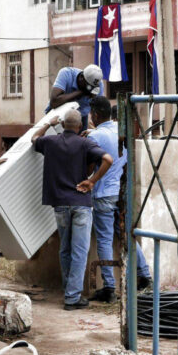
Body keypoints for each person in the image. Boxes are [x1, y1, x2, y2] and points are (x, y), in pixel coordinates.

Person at [32, 109, 113, 309]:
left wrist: (49, 124)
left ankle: (69, 290)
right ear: (79, 127)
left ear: (63, 125)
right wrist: (92, 181)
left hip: (59, 204)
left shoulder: (51, 142)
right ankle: (72, 297)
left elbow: (34, 138)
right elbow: (108, 160)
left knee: (65, 249)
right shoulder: (85, 143)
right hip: (81, 203)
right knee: (79, 251)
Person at [86, 96, 152, 302]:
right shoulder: (120, 131)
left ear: (95, 115)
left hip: (103, 193)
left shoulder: (95, 136)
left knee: (105, 239)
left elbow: (89, 165)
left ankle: (109, 288)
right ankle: (144, 275)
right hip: (121, 192)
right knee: (126, 234)